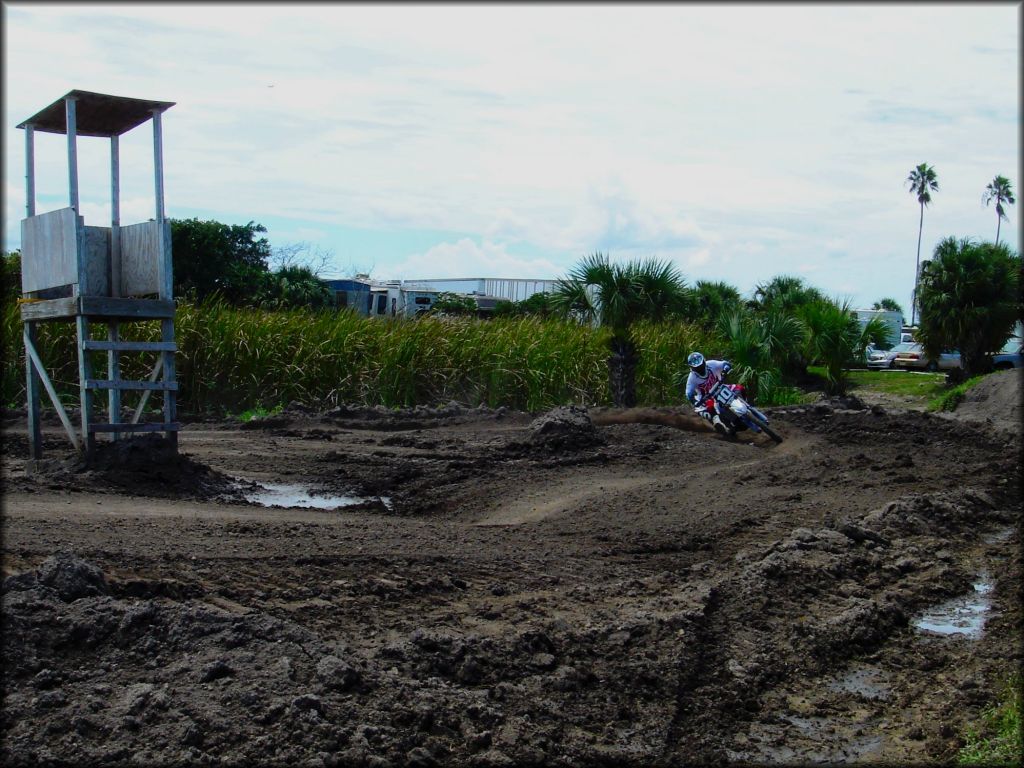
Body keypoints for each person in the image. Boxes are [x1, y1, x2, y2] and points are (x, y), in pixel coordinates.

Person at [684, 351, 742, 436]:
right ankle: (718, 423)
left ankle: (746, 406)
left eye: (701, 365)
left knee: (739, 388)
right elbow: (689, 393)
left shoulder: (711, 364)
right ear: (692, 368)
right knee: (708, 409)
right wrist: (695, 401)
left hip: (721, 388)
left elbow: (725, 364)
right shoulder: (692, 378)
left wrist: (725, 369)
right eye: (697, 367)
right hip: (706, 397)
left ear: (704, 361)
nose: (700, 368)